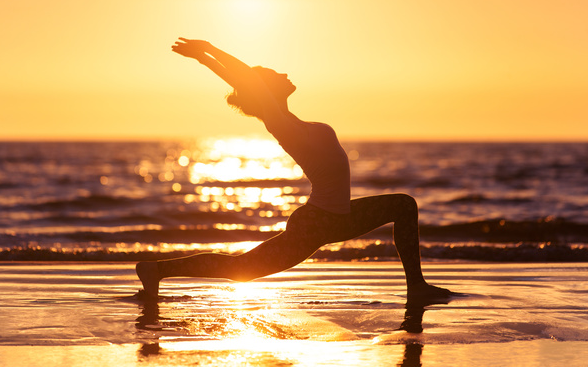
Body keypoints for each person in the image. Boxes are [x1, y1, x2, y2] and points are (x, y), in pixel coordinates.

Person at [136, 38, 453, 304]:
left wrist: (207, 59)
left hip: (335, 218)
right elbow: (248, 80)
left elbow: (248, 82)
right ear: (265, 89)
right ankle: (156, 271)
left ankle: (417, 288)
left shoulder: (294, 121)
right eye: (275, 74)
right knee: (242, 269)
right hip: (318, 222)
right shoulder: (282, 124)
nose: (285, 73)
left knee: (403, 205)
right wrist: (208, 50)